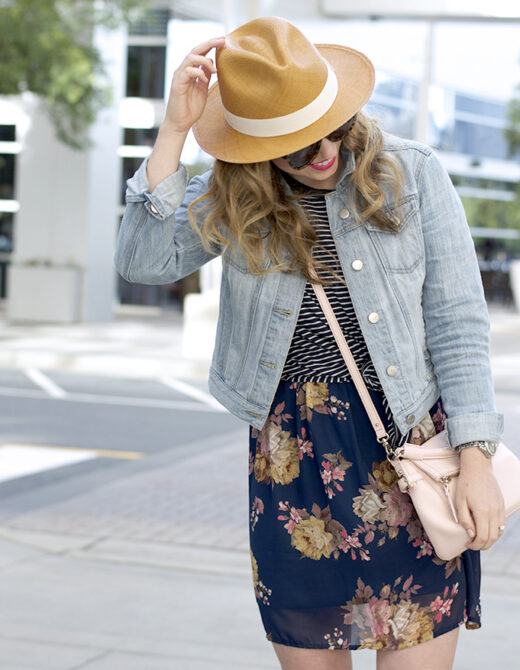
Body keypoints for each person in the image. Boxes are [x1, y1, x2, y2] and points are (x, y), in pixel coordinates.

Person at [114, 16, 505, 670]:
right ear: (255, 148)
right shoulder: (234, 195)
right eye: (296, 145)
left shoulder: (412, 173)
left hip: (409, 448)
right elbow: (143, 260)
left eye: (329, 127)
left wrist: (477, 458)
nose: (322, 151)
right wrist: (174, 130)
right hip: (292, 461)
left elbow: (459, 321)